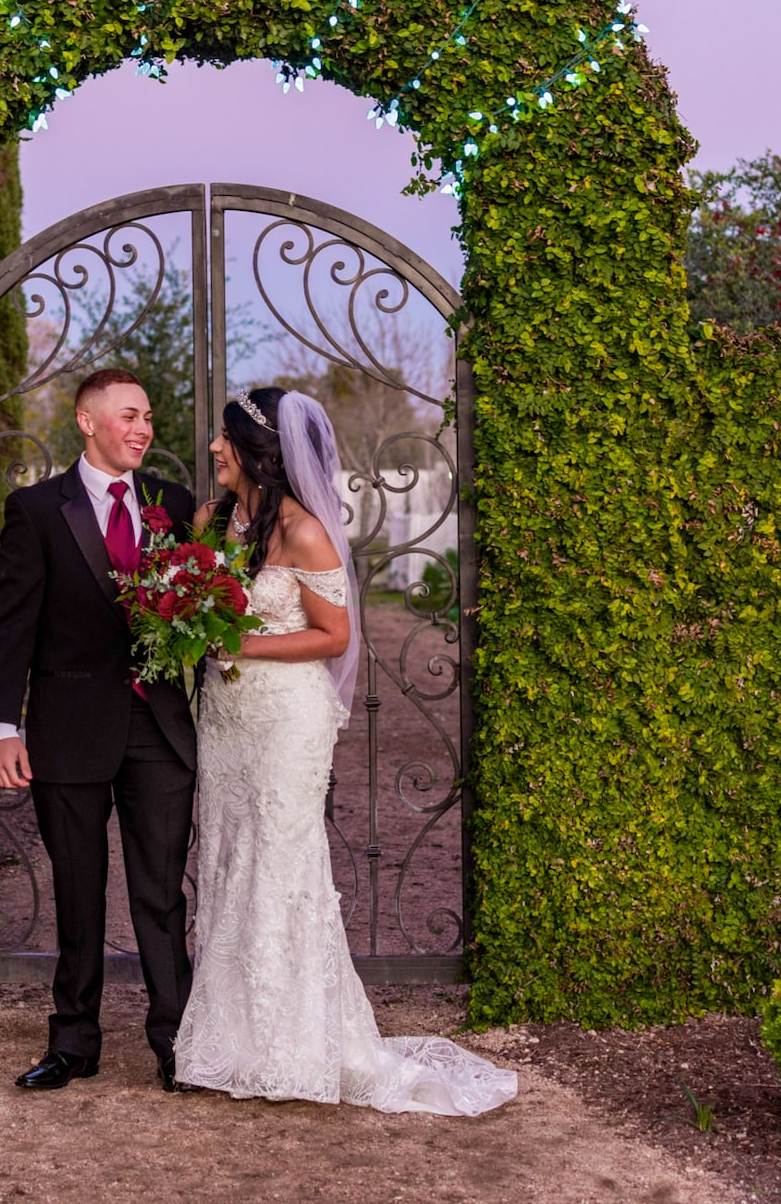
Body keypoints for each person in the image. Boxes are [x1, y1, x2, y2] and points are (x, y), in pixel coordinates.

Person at [173, 385, 518, 1115]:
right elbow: (192, 602)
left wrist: (246, 641)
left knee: (282, 859)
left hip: (285, 716)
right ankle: (230, 1041)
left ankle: (295, 1041)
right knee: (231, 854)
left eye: (224, 440)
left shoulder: (304, 532)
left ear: (258, 454)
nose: (212, 450)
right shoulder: (209, 520)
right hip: (227, 717)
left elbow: (334, 635)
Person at [0, 368, 199, 1094]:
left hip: (158, 727)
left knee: (162, 893)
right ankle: (73, 1042)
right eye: (131, 415)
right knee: (78, 890)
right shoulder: (38, 509)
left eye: (148, 419)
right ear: (87, 420)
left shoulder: (176, 505)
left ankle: (179, 1043)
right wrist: (4, 727)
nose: (143, 429)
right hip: (68, 727)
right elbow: (10, 625)